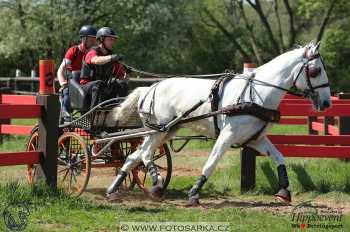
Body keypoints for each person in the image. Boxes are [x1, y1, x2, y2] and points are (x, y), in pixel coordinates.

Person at [80, 26, 129, 110]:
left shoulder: (111, 56)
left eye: (113, 40)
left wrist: (125, 75)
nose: (113, 42)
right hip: (86, 86)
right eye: (110, 39)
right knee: (98, 83)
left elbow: (121, 76)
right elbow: (95, 60)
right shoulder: (93, 51)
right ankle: (94, 113)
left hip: (103, 86)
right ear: (102, 39)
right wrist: (111, 58)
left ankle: (121, 110)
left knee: (121, 84)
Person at [57, 25, 97, 123]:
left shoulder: (94, 53)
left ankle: (90, 116)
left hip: (86, 82)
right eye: (91, 40)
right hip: (73, 81)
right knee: (68, 90)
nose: (94, 42)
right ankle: (65, 113)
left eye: (94, 39)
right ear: (84, 39)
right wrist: (62, 82)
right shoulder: (74, 51)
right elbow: (61, 69)